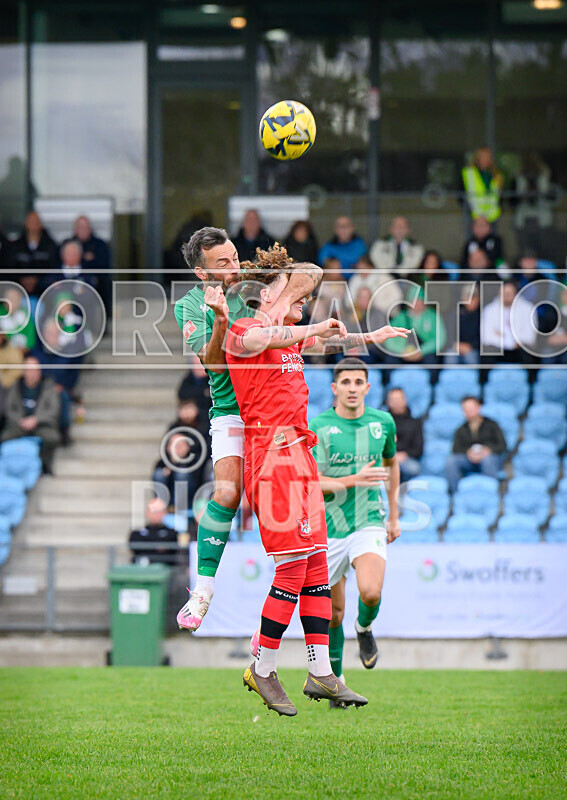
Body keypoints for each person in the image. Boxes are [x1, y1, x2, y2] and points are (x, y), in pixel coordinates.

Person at [222, 247, 408, 715]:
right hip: (272, 457)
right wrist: (295, 304)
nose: (305, 302)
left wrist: (372, 335)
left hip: (300, 457)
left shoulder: (286, 339)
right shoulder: (245, 330)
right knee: (291, 568)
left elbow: (326, 337)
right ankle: (261, 667)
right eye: (294, 297)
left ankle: (321, 671)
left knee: (315, 570)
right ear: (265, 293)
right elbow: (301, 290)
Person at [173, 227, 323, 632]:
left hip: (272, 411)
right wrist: (221, 319)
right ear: (201, 274)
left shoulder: (252, 287)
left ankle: (290, 632)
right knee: (226, 491)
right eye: (223, 263)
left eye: (236, 257)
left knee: (276, 509)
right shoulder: (189, 307)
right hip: (231, 411)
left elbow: (311, 270)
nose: (235, 267)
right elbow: (216, 363)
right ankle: (203, 591)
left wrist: (283, 301)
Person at [309, 358, 400, 701]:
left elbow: (393, 467)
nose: (351, 388)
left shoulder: (383, 423)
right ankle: (337, 681)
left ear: (367, 387)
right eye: (345, 382)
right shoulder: (319, 426)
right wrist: (352, 479)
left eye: (357, 382)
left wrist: (393, 515)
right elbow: (310, 483)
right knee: (333, 613)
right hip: (329, 527)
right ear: (335, 388)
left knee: (371, 592)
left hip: (368, 521)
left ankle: (364, 628)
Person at [2, 355, 61, 473]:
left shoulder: (48, 387)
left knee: (52, 438)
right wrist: (20, 420)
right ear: (23, 371)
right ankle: (6, 468)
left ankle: (44, 464)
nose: (32, 373)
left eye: (35, 370)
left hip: (41, 425)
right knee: (4, 437)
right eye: (29, 370)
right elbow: (8, 409)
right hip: (19, 424)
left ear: (40, 371)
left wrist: (36, 419)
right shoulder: (15, 386)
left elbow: (53, 409)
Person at [446, 396, 507, 493]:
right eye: (465, 409)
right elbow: (456, 449)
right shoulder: (461, 429)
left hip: (489, 458)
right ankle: (455, 495)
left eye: (471, 408)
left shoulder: (492, 425)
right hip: (469, 460)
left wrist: (487, 451)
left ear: (478, 407)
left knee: (488, 461)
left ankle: (492, 494)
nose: (468, 411)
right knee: (452, 461)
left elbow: (502, 445)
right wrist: (468, 453)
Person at [384, 288, 447, 365]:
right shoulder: (400, 318)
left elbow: (440, 339)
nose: (416, 303)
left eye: (419, 300)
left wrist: (422, 351)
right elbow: (388, 339)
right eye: (413, 300)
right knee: (390, 360)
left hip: (425, 353)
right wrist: (401, 351)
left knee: (432, 361)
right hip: (403, 352)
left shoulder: (433, 317)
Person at [481, 281, 538, 364]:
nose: (506, 296)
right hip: (498, 347)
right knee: (486, 356)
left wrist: (504, 336)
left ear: (516, 294)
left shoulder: (528, 308)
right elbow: (486, 337)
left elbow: (530, 336)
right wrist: (507, 342)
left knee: (529, 357)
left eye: (509, 293)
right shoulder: (489, 309)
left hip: (519, 348)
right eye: (504, 293)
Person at [8, 211, 58, 297]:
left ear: (41, 224)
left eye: (36, 222)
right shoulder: (15, 246)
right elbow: (9, 269)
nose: (33, 225)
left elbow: (54, 268)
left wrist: (38, 280)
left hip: (44, 290)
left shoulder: (50, 245)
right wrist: (22, 279)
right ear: (26, 224)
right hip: (19, 289)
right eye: (31, 222)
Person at [386, 387, 423, 482]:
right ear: (388, 402)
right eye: (393, 399)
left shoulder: (415, 423)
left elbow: (418, 448)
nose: (396, 402)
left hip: (406, 459)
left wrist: (405, 454)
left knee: (413, 469)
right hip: (386, 459)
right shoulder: (382, 422)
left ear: (405, 400)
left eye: (399, 399)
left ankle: (403, 493)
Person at [462, 147, 503, 224]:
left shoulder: (496, 175)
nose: (486, 159)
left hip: (492, 217)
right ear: (477, 158)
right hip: (474, 216)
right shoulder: (469, 173)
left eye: (488, 157)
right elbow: (462, 193)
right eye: (483, 156)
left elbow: (498, 196)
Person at [445, 287, 481, 365]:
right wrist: (455, 345)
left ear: (478, 299)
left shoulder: (483, 315)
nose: (471, 300)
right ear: (463, 298)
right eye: (468, 297)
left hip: (473, 349)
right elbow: (448, 335)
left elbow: (483, 338)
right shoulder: (454, 314)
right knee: (451, 356)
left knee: (471, 357)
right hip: (455, 347)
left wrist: (471, 346)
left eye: (474, 297)